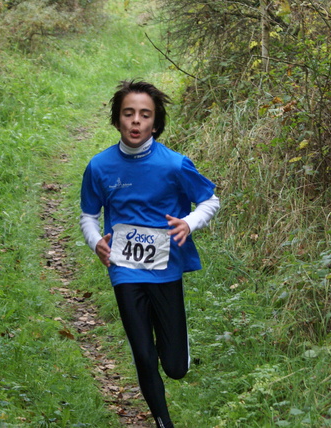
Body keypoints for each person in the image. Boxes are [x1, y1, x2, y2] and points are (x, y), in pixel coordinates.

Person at [79, 80, 220, 428]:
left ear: (155, 123)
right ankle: (162, 422)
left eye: (145, 115)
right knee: (143, 354)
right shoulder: (99, 167)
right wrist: (96, 240)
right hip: (124, 268)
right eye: (129, 114)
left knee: (173, 367)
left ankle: (180, 354)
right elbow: (88, 215)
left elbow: (210, 199)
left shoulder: (174, 164)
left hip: (166, 267)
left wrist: (188, 222)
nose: (136, 121)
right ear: (117, 120)